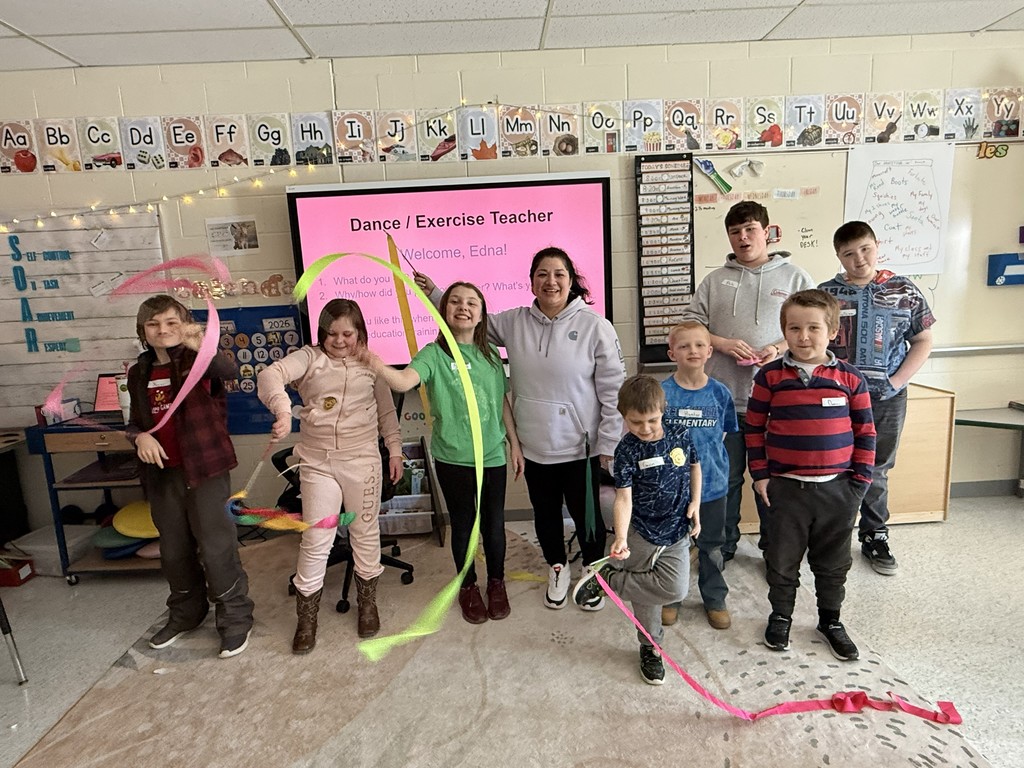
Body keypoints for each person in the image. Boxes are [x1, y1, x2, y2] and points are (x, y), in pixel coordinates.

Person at [415, 247, 625, 611]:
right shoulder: (514, 322)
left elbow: (612, 390)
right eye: (541, 274)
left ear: (571, 280)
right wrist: (436, 292)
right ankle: (557, 567)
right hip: (535, 447)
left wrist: (609, 442)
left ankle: (593, 573)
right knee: (545, 517)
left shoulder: (595, 327)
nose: (550, 281)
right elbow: (470, 318)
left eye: (558, 273)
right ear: (531, 281)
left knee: (587, 519)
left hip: (582, 447)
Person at [361, 282, 525, 624]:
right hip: (453, 459)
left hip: (492, 456)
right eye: (455, 302)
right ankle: (468, 587)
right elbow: (404, 382)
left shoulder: (492, 355)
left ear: (481, 315)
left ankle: (496, 583)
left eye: (471, 303)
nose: (463, 308)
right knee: (464, 526)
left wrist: (515, 444)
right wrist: (374, 362)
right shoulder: (433, 355)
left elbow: (502, 405)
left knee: (493, 526)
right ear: (443, 310)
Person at [257, 299, 402, 653]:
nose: (339, 340)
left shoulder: (371, 363)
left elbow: (386, 412)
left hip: (363, 461)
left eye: (347, 333)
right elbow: (269, 375)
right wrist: (280, 409)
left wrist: (395, 450)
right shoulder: (309, 358)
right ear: (322, 333)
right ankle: (306, 620)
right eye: (332, 333)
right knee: (316, 539)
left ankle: (367, 604)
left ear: (360, 333)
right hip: (319, 464)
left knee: (365, 534)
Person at [745, 289, 876, 661]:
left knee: (833, 563)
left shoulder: (850, 379)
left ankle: (831, 620)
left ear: (832, 331)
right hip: (786, 489)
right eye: (794, 328)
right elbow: (754, 429)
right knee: (782, 559)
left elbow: (866, 431)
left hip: (839, 490)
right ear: (784, 331)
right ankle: (781, 615)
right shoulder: (769, 377)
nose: (804, 336)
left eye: (814, 328)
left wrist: (860, 481)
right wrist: (761, 475)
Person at [684, 200, 814, 559]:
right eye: (735, 232)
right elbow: (690, 327)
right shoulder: (713, 281)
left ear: (767, 232)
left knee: (774, 481)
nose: (743, 237)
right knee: (724, 480)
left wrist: (776, 347)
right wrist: (723, 344)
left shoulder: (795, 278)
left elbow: (814, 330)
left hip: (778, 403)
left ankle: (775, 549)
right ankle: (721, 546)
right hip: (723, 403)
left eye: (750, 229)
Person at [126, 295, 255, 659]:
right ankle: (186, 612)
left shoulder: (198, 361)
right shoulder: (138, 373)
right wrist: (140, 437)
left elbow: (228, 371)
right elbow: (135, 422)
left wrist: (200, 345)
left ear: (184, 324)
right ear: (143, 332)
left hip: (206, 471)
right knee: (174, 549)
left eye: (171, 322)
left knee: (216, 548)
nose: (163, 330)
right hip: (163, 475)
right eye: (154, 325)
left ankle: (234, 617)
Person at [818, 221, 936, 575]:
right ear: (839, 257)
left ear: (876, 246)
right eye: (849, 254)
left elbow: (923, 340)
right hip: (837, 399)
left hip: (887, 398)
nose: (859, 259)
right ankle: (832, 537)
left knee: (877, 468)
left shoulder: (905, 290)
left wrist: (897, 381)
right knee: (834, 465)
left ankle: (874, 535)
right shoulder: (827, 294)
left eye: (865, 249)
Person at [570, 375, 701, 685]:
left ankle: (608, 582)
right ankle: (650, 648)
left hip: (676, 532)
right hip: (641, 530)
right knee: (646, 595)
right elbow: (623, 498)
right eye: (636, 421)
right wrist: (621, 536)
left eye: (652, 420)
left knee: (674, 589)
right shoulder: (627, 450)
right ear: (623, 416)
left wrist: (696, 503)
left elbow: (695, 466)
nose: (645, 428)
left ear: (663, 410)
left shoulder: (681, 435)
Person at [659, 321, 738, 630]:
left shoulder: (720, 394)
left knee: (712, 545)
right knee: (672, 545)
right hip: (672, 487)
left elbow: (727, 433)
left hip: (713, 486)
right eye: (683, 346)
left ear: (709, 351)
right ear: (672, 353)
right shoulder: (662, 393)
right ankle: (671, 596)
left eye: (698, 345)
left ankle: (714, 597)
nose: (692, 350)